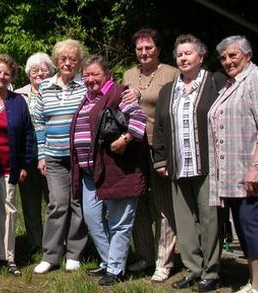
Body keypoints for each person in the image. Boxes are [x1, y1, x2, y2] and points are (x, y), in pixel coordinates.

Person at [152, 34, 226, 292]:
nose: (183, 58)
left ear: (201, 56)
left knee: (210, 220)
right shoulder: (168, 90)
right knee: (184, 222)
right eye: (179, 54)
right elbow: (160, 127)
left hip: (208, 165)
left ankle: (212, 271)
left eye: (188, 53)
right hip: (178, 165)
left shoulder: (216, 82)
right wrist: (160, 159)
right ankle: (193, 269)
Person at [71, 55, 148, 286]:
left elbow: (139, 117)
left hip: (116, 171)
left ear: (107, 75)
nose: (90, 79)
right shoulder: (87, 99)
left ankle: (115, 269)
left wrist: (124, 140)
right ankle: (110, 262)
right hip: (90, 174)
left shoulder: (116, 94)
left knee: (119, 222)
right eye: (86, 75)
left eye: (95, 74)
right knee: (93, 219)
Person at [209, 35, 258, 293]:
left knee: (254, 227)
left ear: (247, 55)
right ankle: (253, 280)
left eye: (233, 55)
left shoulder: (257, 76)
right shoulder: (230, 85)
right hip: (232, 175)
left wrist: (255, 167)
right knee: (244, 229)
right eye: (223, 57)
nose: (227, 61)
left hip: (252, 171)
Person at [122, 28, 180, 281]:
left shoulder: (171, 73)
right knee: (138, 202)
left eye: (149, 48)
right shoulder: (128, 74)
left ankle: (164, 261)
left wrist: (140, 95)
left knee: (163, 204)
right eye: (139, 49)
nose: (144, 53)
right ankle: (145, 255)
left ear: (158, 49)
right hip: (133, 146)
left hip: (159, 146)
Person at [33, 39, 89, 274]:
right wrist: (41, 155)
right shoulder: (45, 87)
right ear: (56, 62)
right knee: (57, 204)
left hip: (79, 156)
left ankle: (74, 253)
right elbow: (38, 122)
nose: (68, 63)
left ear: (78, 62)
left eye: (73, 59)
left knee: (78, 203)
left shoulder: (85, 85)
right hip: (54, 156)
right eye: (63, 59)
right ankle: (51, 255)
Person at [0, 54, 35, 277]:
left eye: (6, 73)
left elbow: (27, 135)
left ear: (11, 76)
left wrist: (24, 165)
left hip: (8, 166)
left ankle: (8, 257)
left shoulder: (18, 101)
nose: (2, 76)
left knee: (8, 211)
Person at [14, 53, 54, 256]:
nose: (39, 73)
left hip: (53, 154)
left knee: (53, 201)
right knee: (30, 202)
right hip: (28, 156)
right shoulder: (19, 94)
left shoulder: (57, 90)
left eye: (44, 69)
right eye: (35, 70)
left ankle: (54, 242)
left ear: (51, 71)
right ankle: (34, 242)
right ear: (28, 74)